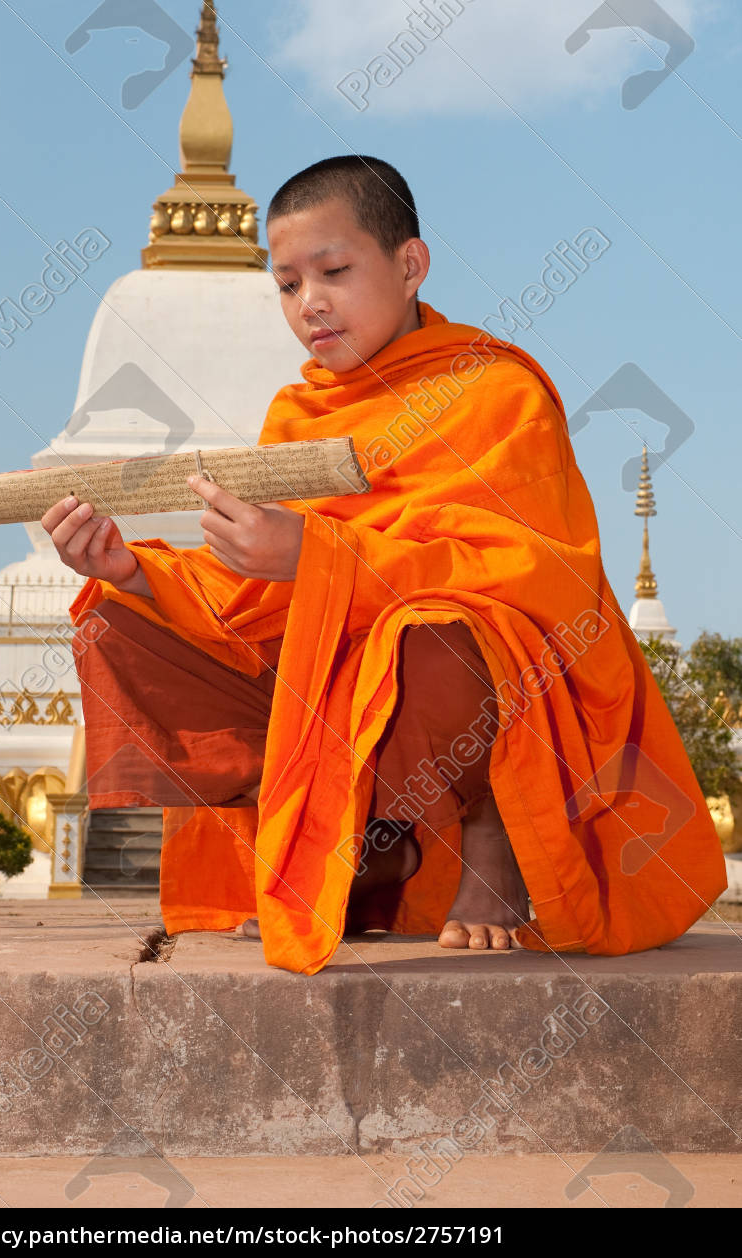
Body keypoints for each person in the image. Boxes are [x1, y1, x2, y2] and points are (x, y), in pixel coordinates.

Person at [43, 155, 725, 976]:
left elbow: (539, 582)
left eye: (333, 271)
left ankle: (488, 835)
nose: (310, 305)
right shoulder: (299, 417)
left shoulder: (493, 393)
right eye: (287, 285)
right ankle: (367, 841)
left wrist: (320, 556)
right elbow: (254, 599)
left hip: (491, 691)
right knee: (126, 624)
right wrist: (130, 571)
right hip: (341, 685)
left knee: (434, 631)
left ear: (409, 265)